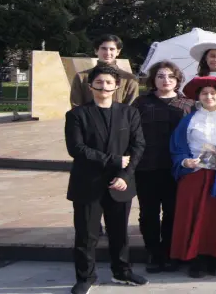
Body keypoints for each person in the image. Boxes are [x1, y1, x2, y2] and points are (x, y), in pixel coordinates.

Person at [65, 64, 147, 294]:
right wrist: (114, 160)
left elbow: (138, 146)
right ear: (90, 86)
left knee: (119, 232)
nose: (104, 86)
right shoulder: (77, 115)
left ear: (117, 86)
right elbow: (77, 149)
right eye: (99, 82)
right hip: (88, 183)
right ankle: (85, 277)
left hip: (120, 182)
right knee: (86, 234)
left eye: (109, 83)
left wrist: (124, 175)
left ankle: (122, 271)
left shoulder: (129, 113)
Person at [170, 76, 216, 278]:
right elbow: (177, 145)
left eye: (213, 93)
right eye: (204, 93)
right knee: (193, 215)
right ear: (198, 97)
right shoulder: (188, 119)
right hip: (194, 173)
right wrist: (185, 161)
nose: (208, 96)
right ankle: (196, 258)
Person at [131, 61, 194, 273]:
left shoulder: (188, 105)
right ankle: (153, 252)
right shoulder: (141, 103)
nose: (165, 80)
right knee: (148, 212)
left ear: (177, 80)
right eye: (160, 76)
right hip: (146, 166)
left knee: (172, 211)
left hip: (176, 168)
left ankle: (169, 251)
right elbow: (131, 133)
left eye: (170, 76)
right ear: (153, 79)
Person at [70, 34, 139, 108]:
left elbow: (132, 109)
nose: (107, 53)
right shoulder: (82, 77)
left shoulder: (129, 79)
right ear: (96, 51)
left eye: (112, 49)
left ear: (118, 52)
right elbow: (76, 106)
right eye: (104, 48)